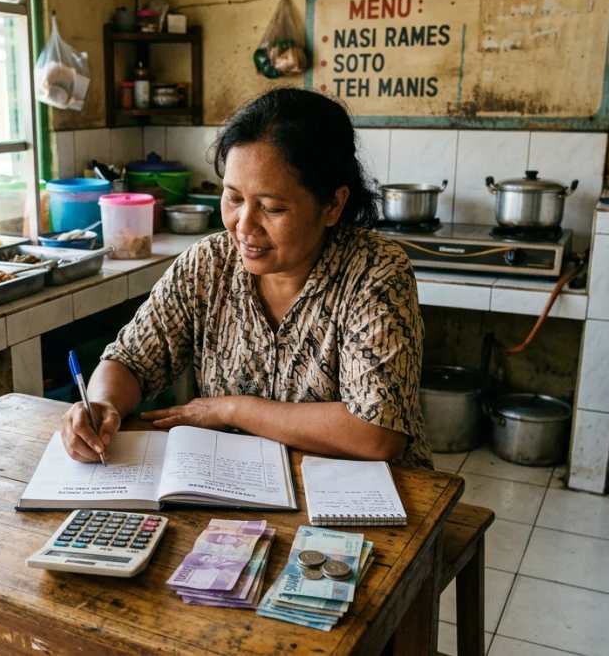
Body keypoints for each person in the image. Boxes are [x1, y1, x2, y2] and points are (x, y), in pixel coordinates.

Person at [60, 87, 430, 469]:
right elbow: (130, 360)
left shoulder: (374, 271)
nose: (244, 226)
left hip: (363, 501)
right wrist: (101, 404)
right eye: (234, 198)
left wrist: (233, 410)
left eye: (272, 207)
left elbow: (376, 432)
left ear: (333, 205)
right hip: (239, 488)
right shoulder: (208, 265)